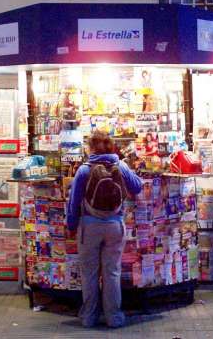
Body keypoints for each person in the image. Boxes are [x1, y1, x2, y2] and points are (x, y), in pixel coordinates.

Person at [67, 130, 142, 328]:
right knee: (112, 272)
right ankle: (114, 318)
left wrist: (71, 226)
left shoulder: (84, 170)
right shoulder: (121, 166)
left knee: (89, 273)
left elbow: (74, 202)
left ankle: (89, 317)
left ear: (90, 147)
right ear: (111, 146)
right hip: (115, 226)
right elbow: (137, 187)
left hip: (89, 227)